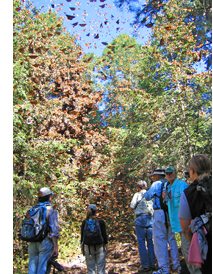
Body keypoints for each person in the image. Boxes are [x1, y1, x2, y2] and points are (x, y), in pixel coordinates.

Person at [163, 166, 201, 274]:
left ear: (175, 173)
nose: (169, 175)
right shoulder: (168, 188)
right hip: (177, 224)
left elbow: (190, 202)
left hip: (186, 224)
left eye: (171, 173)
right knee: (186, 250)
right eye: (167, 173)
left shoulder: (182, 185)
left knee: (187, 249)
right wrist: (164, 197)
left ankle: (196, 271)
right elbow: (170, 206)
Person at [178, 155, 212, 273]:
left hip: (206, 243)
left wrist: (196, 243)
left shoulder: (188, 194)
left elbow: (185, 228)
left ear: (192, 171)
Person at [144, 168, 181, 274]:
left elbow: (147, 196)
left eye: (154, 175)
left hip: (159, 212)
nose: (154, 177)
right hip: (170, 212)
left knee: (160, 240)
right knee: (172, 238)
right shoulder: (169, 183)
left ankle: (164, 268)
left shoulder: (156, 184)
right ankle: (177, 266)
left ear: (158, 176)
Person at [28, 187, 59, 274]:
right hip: (45, 242)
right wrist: (55, 247)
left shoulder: (33, 209)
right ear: (49, 197)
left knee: (32, 268)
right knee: (43, 268)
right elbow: (54, 230)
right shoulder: (51, 209)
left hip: (32, 241)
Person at [130, 180, 155, 273]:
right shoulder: (150, 194)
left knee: (141, 242)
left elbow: (132, 206)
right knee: (150, 242)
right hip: (150, 218)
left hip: (140, 219)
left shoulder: (137, 195)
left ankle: (145, 265)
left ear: (138, 187)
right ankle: (152, 263)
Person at [81, 204, 108, 274]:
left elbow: (82, 236)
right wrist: (106, 247)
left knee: (90, 269)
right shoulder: (100, 222)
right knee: (101, 268)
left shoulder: (85, 222)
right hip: (100, 246)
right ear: (96, 211)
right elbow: (104, 235)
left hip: (89, 248)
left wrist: (82, 247)